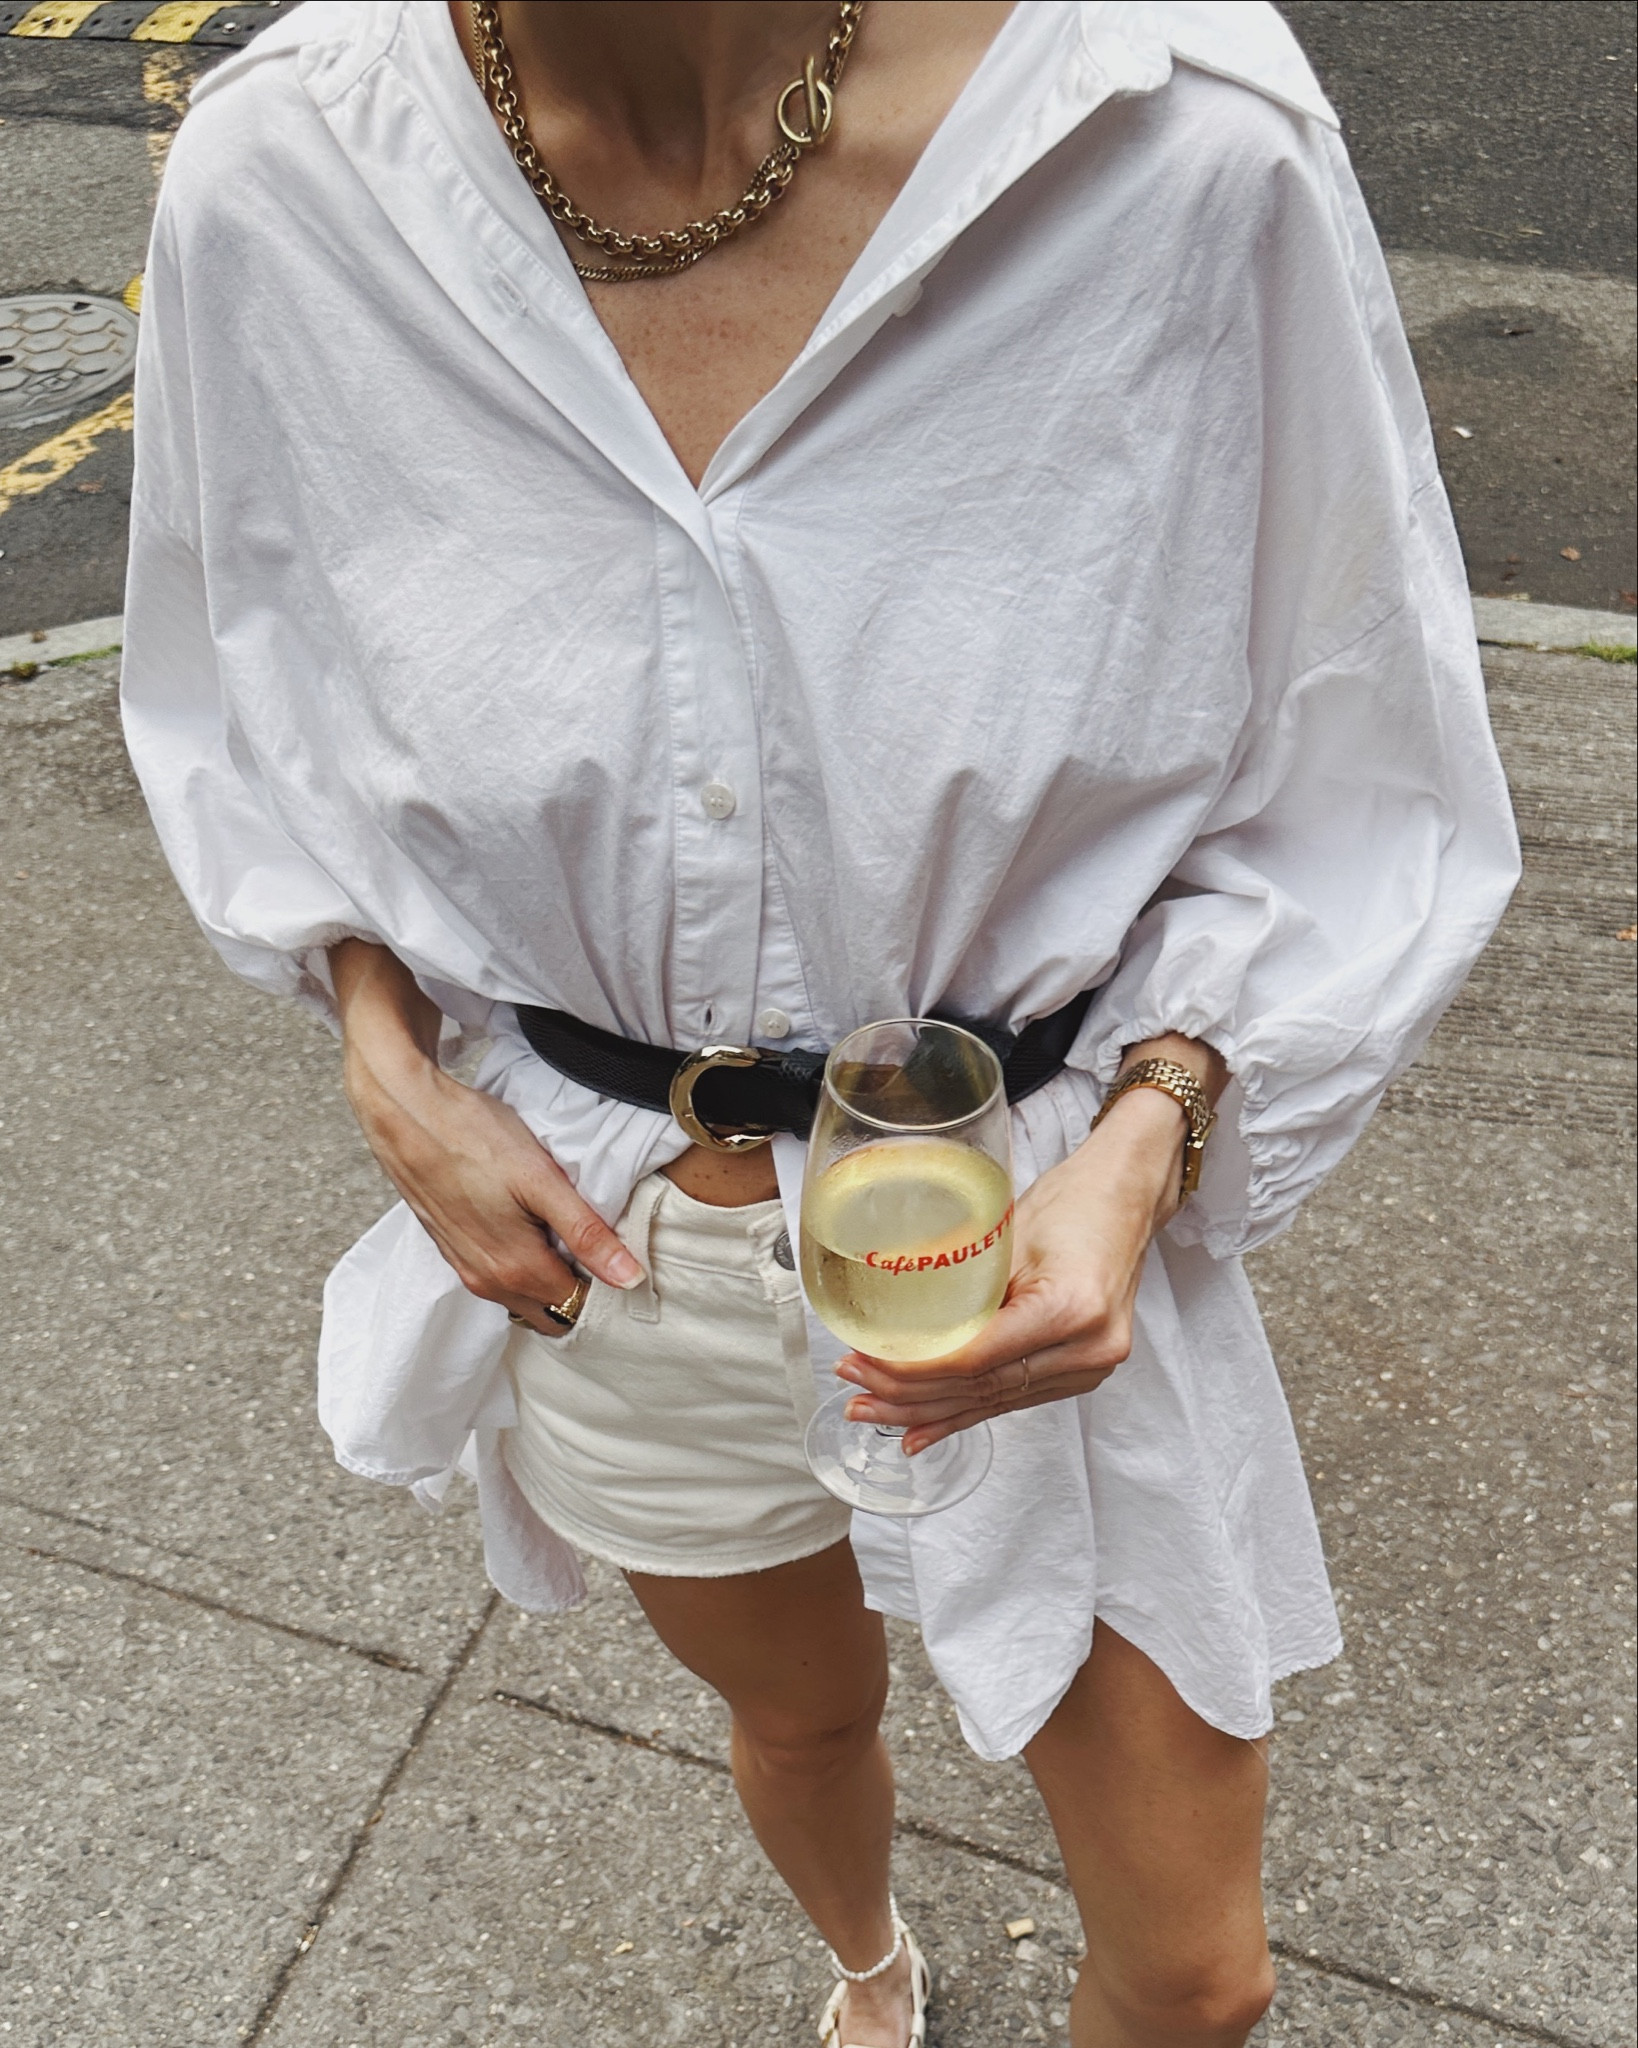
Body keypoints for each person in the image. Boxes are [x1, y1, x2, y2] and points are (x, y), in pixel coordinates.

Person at [119, 3, 1520, 2042]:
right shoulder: (284, 177)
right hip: (612, 1237)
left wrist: (1157, 1124)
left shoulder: (1164, 138)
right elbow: (254, 682)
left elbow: (1357, 753)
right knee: (798, 1715)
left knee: (1199, 1977)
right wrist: (378, 1046)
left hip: (1029, 1194)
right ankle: (868, 1964)